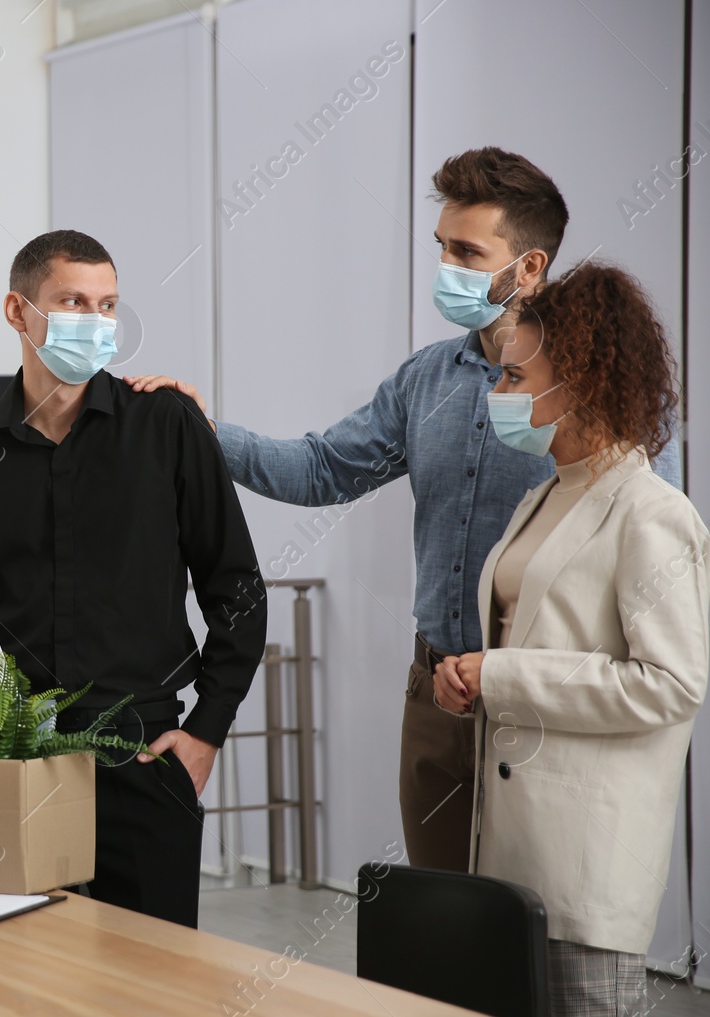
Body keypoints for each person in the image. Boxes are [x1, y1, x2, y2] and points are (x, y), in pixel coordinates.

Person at [126, 147, 681, 871]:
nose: (446, 264)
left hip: (541, 701)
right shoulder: (426, 380)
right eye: (442, 245)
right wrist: (203, 431)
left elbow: (645, 522)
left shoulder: (594, 385)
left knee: (535, 935)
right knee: (442, 935)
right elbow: (322, 468)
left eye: (467, 250)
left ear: (531, 267)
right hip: (434, 695)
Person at [0, 230, 267, 927]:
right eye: (72, 301)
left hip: (142, 752)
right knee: (22, 986)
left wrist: (207, 729)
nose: (94, 320)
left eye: (107, 305)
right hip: (11, 759)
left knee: (154, 984)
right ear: (17, 312)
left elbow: (237, 587)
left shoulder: (167, 426)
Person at [431, 263, 706, 1017]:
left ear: (579, 379)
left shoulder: (653, 514)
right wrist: (470, 681)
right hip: (514, 859)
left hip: (587, 866)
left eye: (516, 375)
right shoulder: (548, 493)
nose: (501, 389)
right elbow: (531, 638)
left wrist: (503, 677)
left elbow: (672, 683)